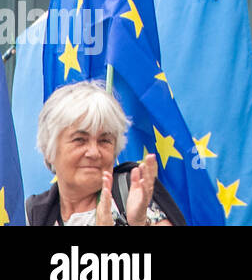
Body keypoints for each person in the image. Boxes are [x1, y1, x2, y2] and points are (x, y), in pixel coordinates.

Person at [26, 81, 183, 226]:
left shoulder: (132, 193)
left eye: (104, 141)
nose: (94, 152)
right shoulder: (32, 214)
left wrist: (139, 223)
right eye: (80, 140)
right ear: (49, 150)